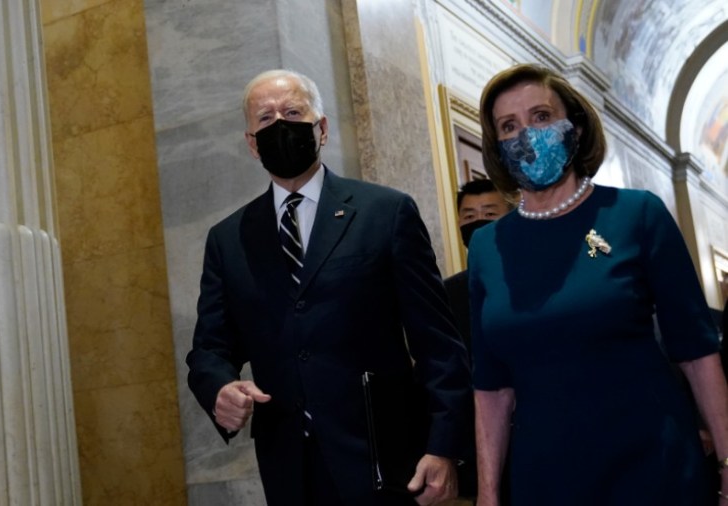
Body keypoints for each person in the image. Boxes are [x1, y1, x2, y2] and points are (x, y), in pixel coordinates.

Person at [185, 69, 472, 506]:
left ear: (321, 128)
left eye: (293, 111)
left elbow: (438, 344)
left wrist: (444, 446)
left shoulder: (386, 213)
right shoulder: (229, 240)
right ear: (250, 142)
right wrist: (219, 387)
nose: (279, 123)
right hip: (289, 468)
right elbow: (209, 348)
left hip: (385, 461)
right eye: (265, 118)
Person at [468, 63, 728, 506]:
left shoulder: (636, 215)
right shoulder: (487, 247)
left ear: (575, 125)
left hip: (652, 468)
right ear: (497, 145)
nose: (527, 135)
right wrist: (488, 495)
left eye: (542, 117)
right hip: (545, 479)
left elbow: (696, 354)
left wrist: (726, 461)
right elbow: (492, 387)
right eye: (509, 126)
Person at [444, 178, 513, 349]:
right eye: (469, 216)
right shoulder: (446, 293)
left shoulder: (532, 277)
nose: (478, 222)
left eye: (489, 214)